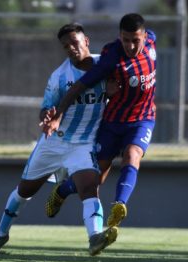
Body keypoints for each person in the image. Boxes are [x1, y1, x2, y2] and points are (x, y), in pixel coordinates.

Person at [0, 23, 117, 259]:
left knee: (90, 187)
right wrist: (45, 115)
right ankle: (1, 234)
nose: (71, 49)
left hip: (84, 144)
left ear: (86, 41)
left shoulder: (105, 67)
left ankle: (95, 237)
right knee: (25, 192)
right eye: (66, 47)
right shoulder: (59, 77)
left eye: (75, 43)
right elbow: (46, 108)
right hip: (55, 142)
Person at [43, 13, 156, 231]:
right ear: (119, 37)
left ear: (144, 36)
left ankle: (119, 205)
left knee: (133, 155)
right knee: (95, 179)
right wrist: (57, 116)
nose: (131, 46)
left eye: (136, 40)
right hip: (112, 123)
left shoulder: (152, 39)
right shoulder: (111, 57)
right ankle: (62, 191)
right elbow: (79, 87)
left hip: (142, 119)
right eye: (125, 40)